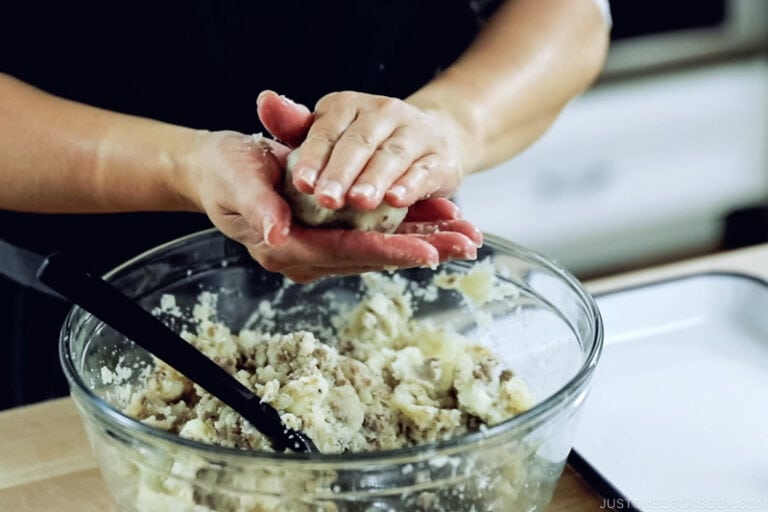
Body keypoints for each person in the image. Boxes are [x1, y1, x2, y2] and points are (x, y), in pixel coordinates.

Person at [0, 0, 610, 409]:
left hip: (395, 301)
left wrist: (450, 125)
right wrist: (179, 166)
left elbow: (572, 13)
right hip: (80, 313)